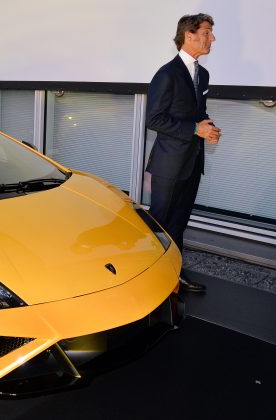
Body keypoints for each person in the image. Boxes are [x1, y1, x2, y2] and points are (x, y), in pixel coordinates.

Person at [146, 13, 221, 293]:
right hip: (168, 166)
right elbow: (153, 119)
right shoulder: (166, 74)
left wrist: (208, 128)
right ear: (189, 35)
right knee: (160, 224)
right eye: (207, 32)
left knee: (178, 224)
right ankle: (146, 277)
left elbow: (196, 115)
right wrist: (193, 129)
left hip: (192, 164)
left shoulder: (203, 74)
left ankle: (173, 275)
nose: (211, 38)